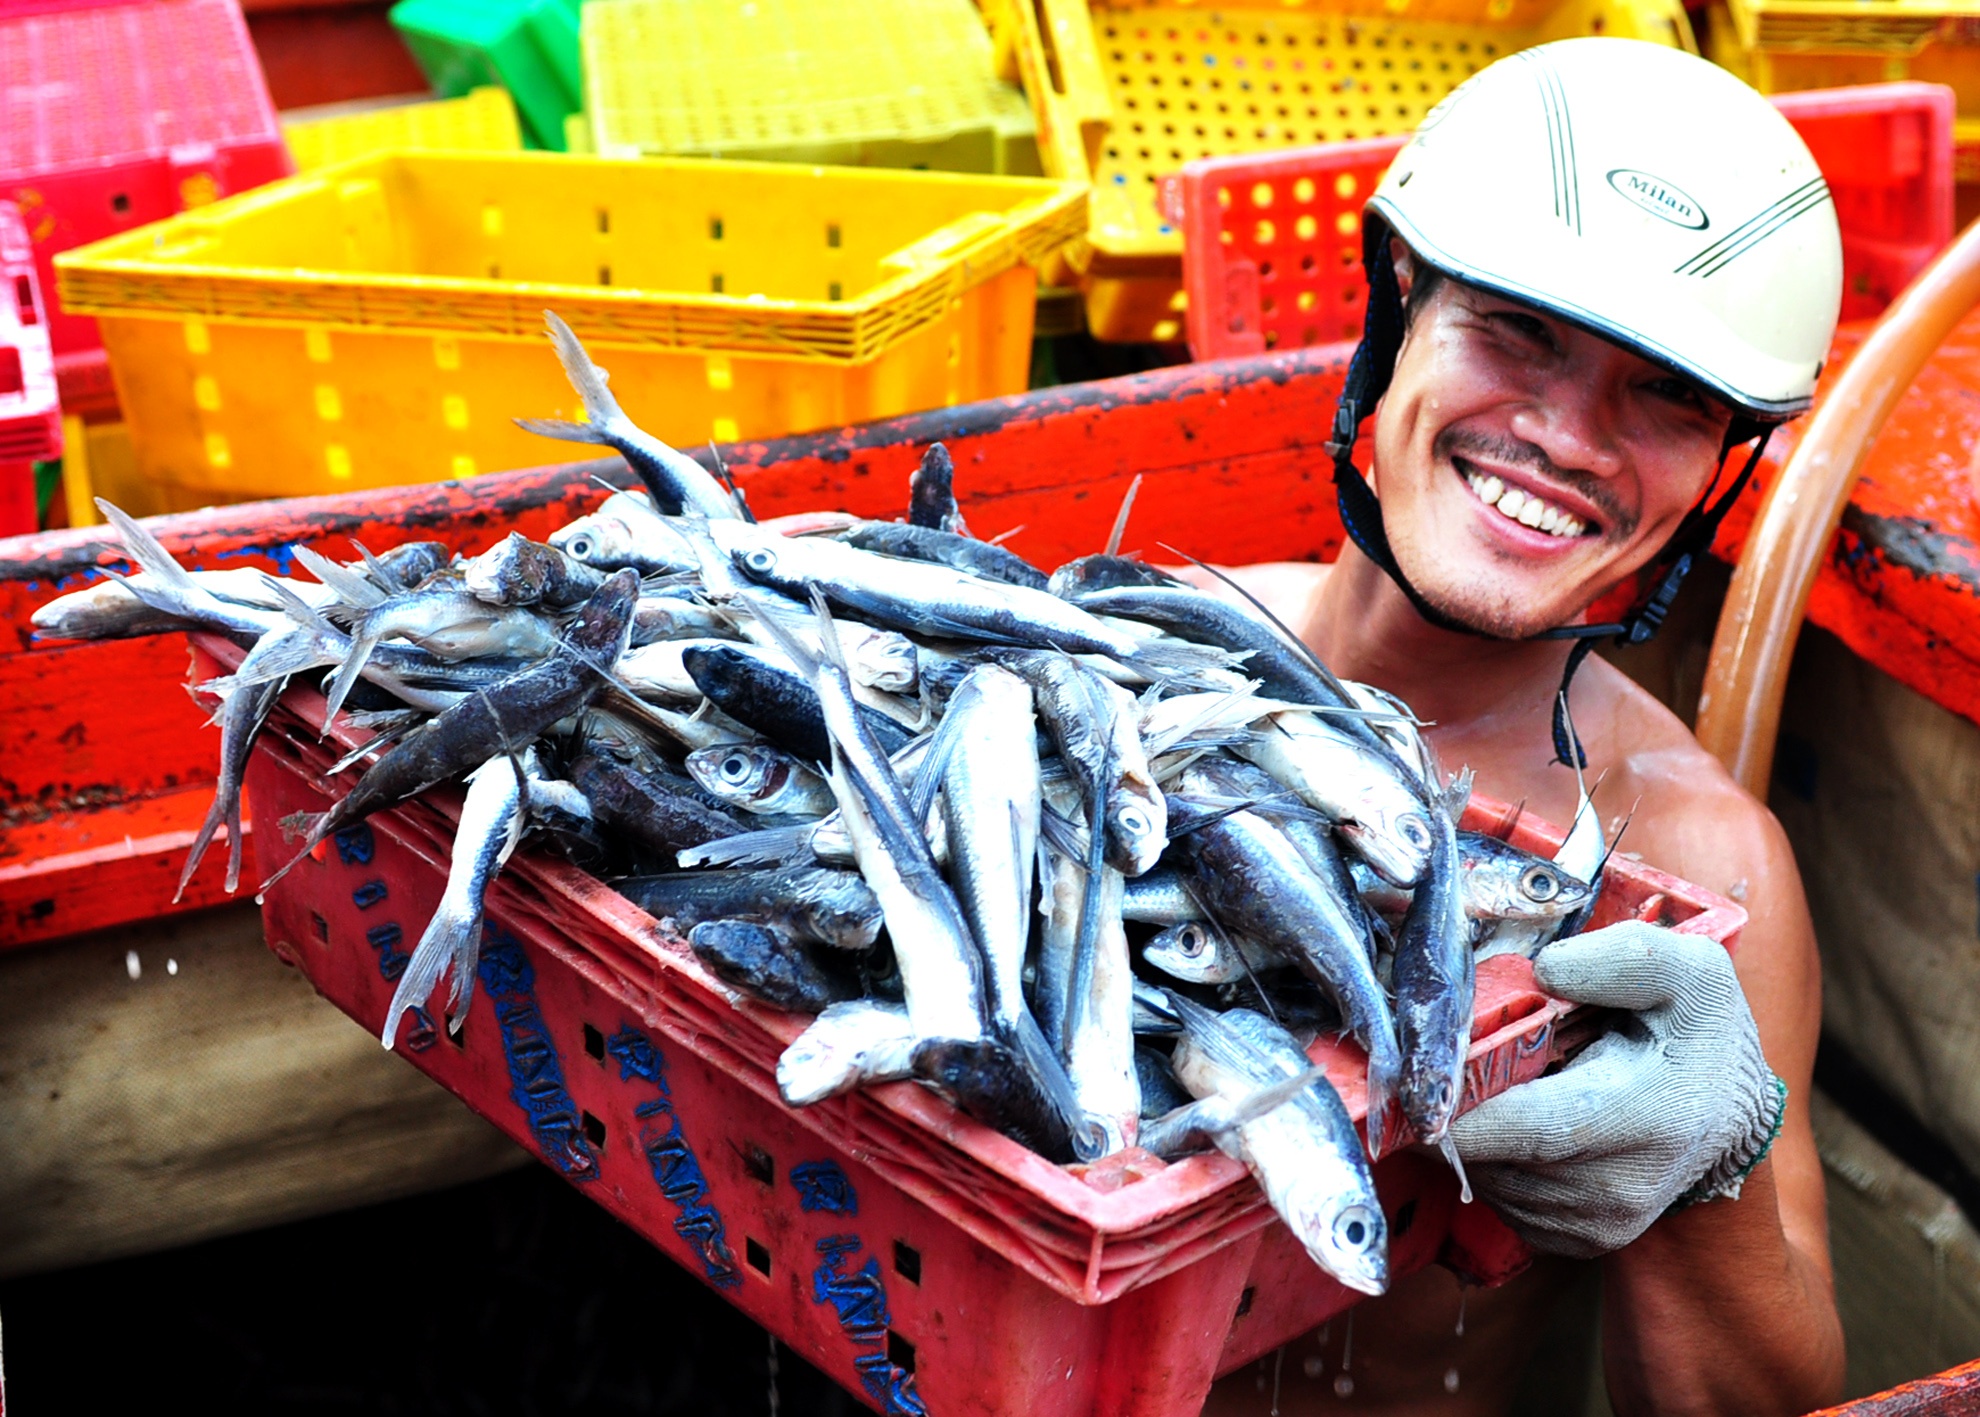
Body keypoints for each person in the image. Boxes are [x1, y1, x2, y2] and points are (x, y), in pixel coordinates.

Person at [1198, 38, 1847, 1416]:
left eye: (1669, 395)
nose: (1566, 433)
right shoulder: (1153, 646)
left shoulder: (1698, 860)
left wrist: (1711, 1164)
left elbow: (1761, 1406)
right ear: (1396, 314)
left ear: (1720, 471)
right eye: (1515, 330)